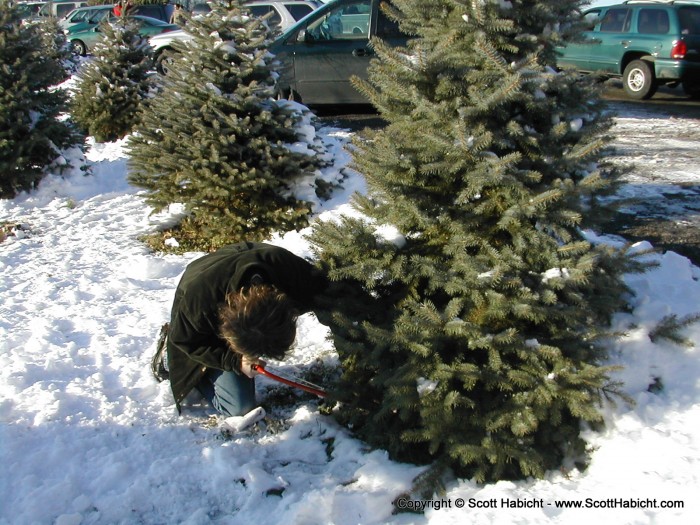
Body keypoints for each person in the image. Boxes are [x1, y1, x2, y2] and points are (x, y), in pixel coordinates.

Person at [151, 242, 328, 417]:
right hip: (197, 303)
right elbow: (186, 341)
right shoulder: (198, 303)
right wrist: (235, 361)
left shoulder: (292, 273)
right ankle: (169, 353)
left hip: (244, 265)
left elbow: (336, 296)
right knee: (240, 407)